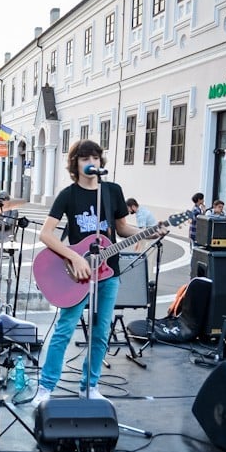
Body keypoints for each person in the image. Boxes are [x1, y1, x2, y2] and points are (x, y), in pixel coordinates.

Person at [32, 140, 151, 406]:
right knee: (65, 328)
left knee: (101, 331)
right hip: (78, 273)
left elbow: (121, 229)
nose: (91, 162)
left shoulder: (112, 191)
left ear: (101, 161)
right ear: (75, 163)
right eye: (85, 157)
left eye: (95, 157)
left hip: (109, 272)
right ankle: (46, 387)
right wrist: (73, 256)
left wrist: (149, 232)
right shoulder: (69, 194)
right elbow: (45, 234)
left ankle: (90, 385)